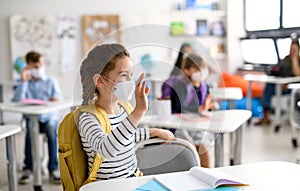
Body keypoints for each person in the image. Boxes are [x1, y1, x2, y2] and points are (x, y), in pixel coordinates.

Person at [78, 44, 175, 180]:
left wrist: (154, 132)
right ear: (100, 81)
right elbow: (106, 149)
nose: (131, 81)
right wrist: (138, 112)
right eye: (124, 75)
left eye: (131, 75)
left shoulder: (122, 109)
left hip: (132, 180)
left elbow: (126, 137)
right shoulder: (88, 118)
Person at [12, 51, 62, 184]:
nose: (39, 68)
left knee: (52, 128)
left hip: (48, 118)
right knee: (30, 130)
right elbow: (16, 100)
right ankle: (28, 168)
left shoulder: (51, 81)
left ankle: (53, 168)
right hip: (32, 119)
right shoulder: (24, 82)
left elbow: (59, 100)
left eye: (40, 65)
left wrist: (55, 99)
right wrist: (23, 81)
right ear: (28, 67)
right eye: (35, 66)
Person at [165, 53, 218, 168]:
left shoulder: (204, 85)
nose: (202, 72)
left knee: (204, 147)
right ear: (187, 70)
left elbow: (207, 102)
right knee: (191, 148)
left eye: (202, 68)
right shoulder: (179, 85)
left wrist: (210, 105)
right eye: (197, 69)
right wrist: (200, 108)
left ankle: (207, 175)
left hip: (197, 124)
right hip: (180, 124)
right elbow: (180, 107)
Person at [255, 39, 300, 125]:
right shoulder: (286, 59)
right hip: (281, 84)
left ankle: (272, 116)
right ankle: (266, 114)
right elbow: (280, 70)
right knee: (269, 86)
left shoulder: (298, 60)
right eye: (291, 49)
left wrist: (294, 58)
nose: (292, 51)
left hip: (293, 88)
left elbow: (297, 74)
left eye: (294, 50)